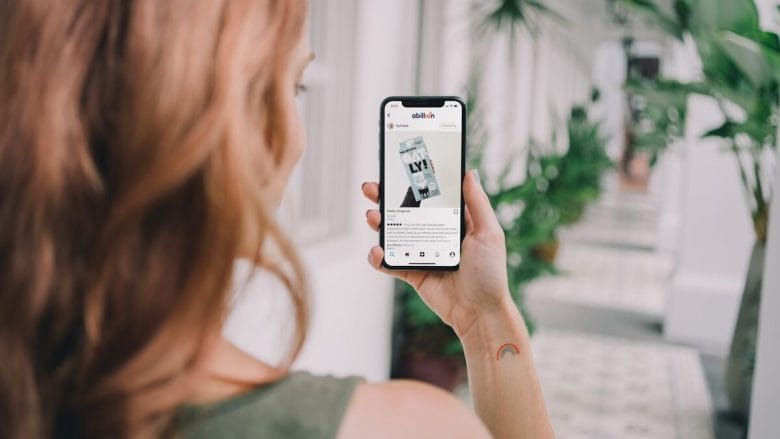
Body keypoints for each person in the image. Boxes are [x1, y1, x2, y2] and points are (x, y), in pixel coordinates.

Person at [0, 1, 553, 438]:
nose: (297, 137)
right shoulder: (406, 429)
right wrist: (485, 323)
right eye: (293, 86)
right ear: (196, 121)